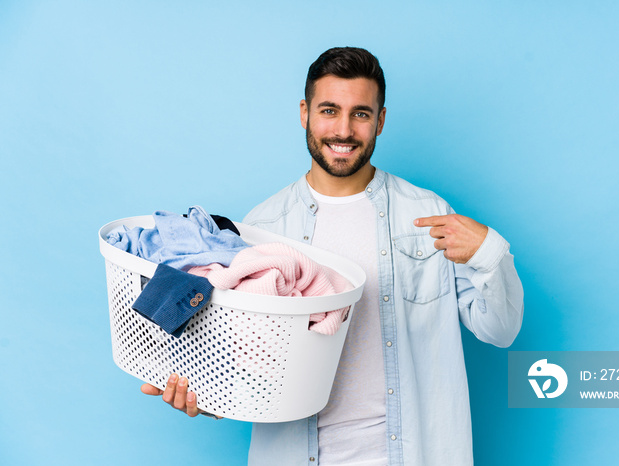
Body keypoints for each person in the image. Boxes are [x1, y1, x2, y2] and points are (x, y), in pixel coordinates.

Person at [141, 47, 524, 466]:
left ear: (380, 120)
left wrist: (490, 253)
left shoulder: (427, 214)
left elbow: (500, 330)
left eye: (360, 114)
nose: (343, 130)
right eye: (329, 110)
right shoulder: (262, 228)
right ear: (304, 112)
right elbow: (243, 368)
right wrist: (207, 398)